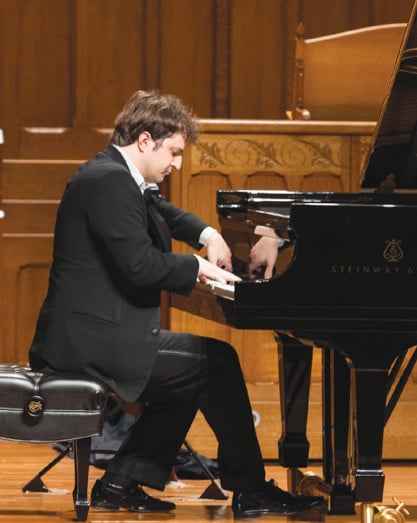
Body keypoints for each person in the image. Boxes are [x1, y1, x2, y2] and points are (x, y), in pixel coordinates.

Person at [28, 89, 324, 516]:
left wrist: (209, 236)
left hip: (97, 333)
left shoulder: (115, 174)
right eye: (174, 151)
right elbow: (139, 266)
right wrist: (199, 268)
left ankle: (120, 482)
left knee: (191, 373)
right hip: (89, 344)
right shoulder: (108, 181)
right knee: (216, 363)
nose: (178, 164)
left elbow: (160, 212)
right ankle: (250, 488)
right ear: (145, 140)